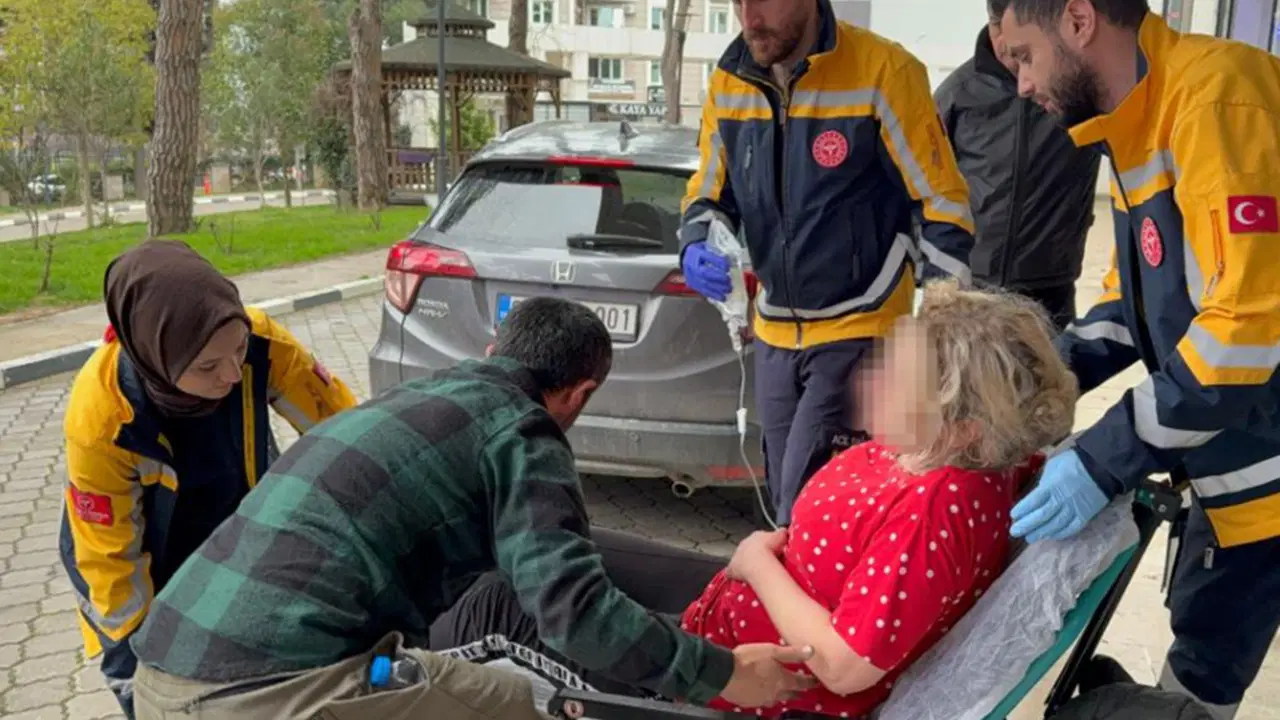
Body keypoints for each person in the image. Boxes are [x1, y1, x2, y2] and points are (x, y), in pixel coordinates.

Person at [127, 296, 814, 720]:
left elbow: (561, 564)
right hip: (263, 694)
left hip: (159, 668)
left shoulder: (417, 400)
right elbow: (574, 616)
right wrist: (722, 673)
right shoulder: (521, 431)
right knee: (515, 704)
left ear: (494, 351)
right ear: (579, 393)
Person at [431, 282, 1078, 718]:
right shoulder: (935, 448)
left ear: (964, 425)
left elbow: (847, 666)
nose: (871, 380)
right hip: (728, 611)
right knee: (550, 557)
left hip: (743, 685)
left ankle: (374, 689)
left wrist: (756, 563)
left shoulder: (943, 503)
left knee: (496, 607)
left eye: (900, 379)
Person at [997, 2, 1280, 717]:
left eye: (1024, 56)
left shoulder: (1214, 100)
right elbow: (1134, 307)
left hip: (1265, 464)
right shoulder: (1134, 125)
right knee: (1200, 646)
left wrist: (1105, 455)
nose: (1022, 85)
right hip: (1228, 452)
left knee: (1203, 675)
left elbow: (1247, 326)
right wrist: (1028, 378)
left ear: (1079, 19)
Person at [679, 0, 977, 526]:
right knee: (782, 495)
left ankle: (804, 600)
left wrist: (941, 326)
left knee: (808, 504)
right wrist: (694, 242)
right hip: (773, 330)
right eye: (737, 2)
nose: (749, 16)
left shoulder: (885, 72)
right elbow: (706, 195)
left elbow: (941, 203)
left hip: (861, 325)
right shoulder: (729, 82)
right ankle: (808, 600)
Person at [59, 240, 358, 718]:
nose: (231, 375)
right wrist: (142, 666)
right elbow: (113, 564)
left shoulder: (256, 340)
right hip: (131, 553)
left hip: (226, 513)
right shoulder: (102, 419)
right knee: (155, 686)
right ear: (157, 356)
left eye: (236, 352)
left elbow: (340, 427)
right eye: (206, 367)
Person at [932, 0, 1101, 332]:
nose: (1006, 44)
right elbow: (924, 187)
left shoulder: (1075, 89)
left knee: (1050, 379)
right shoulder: (957, 94)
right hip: (973, 285)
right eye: (997, 27)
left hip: (1050, 282)